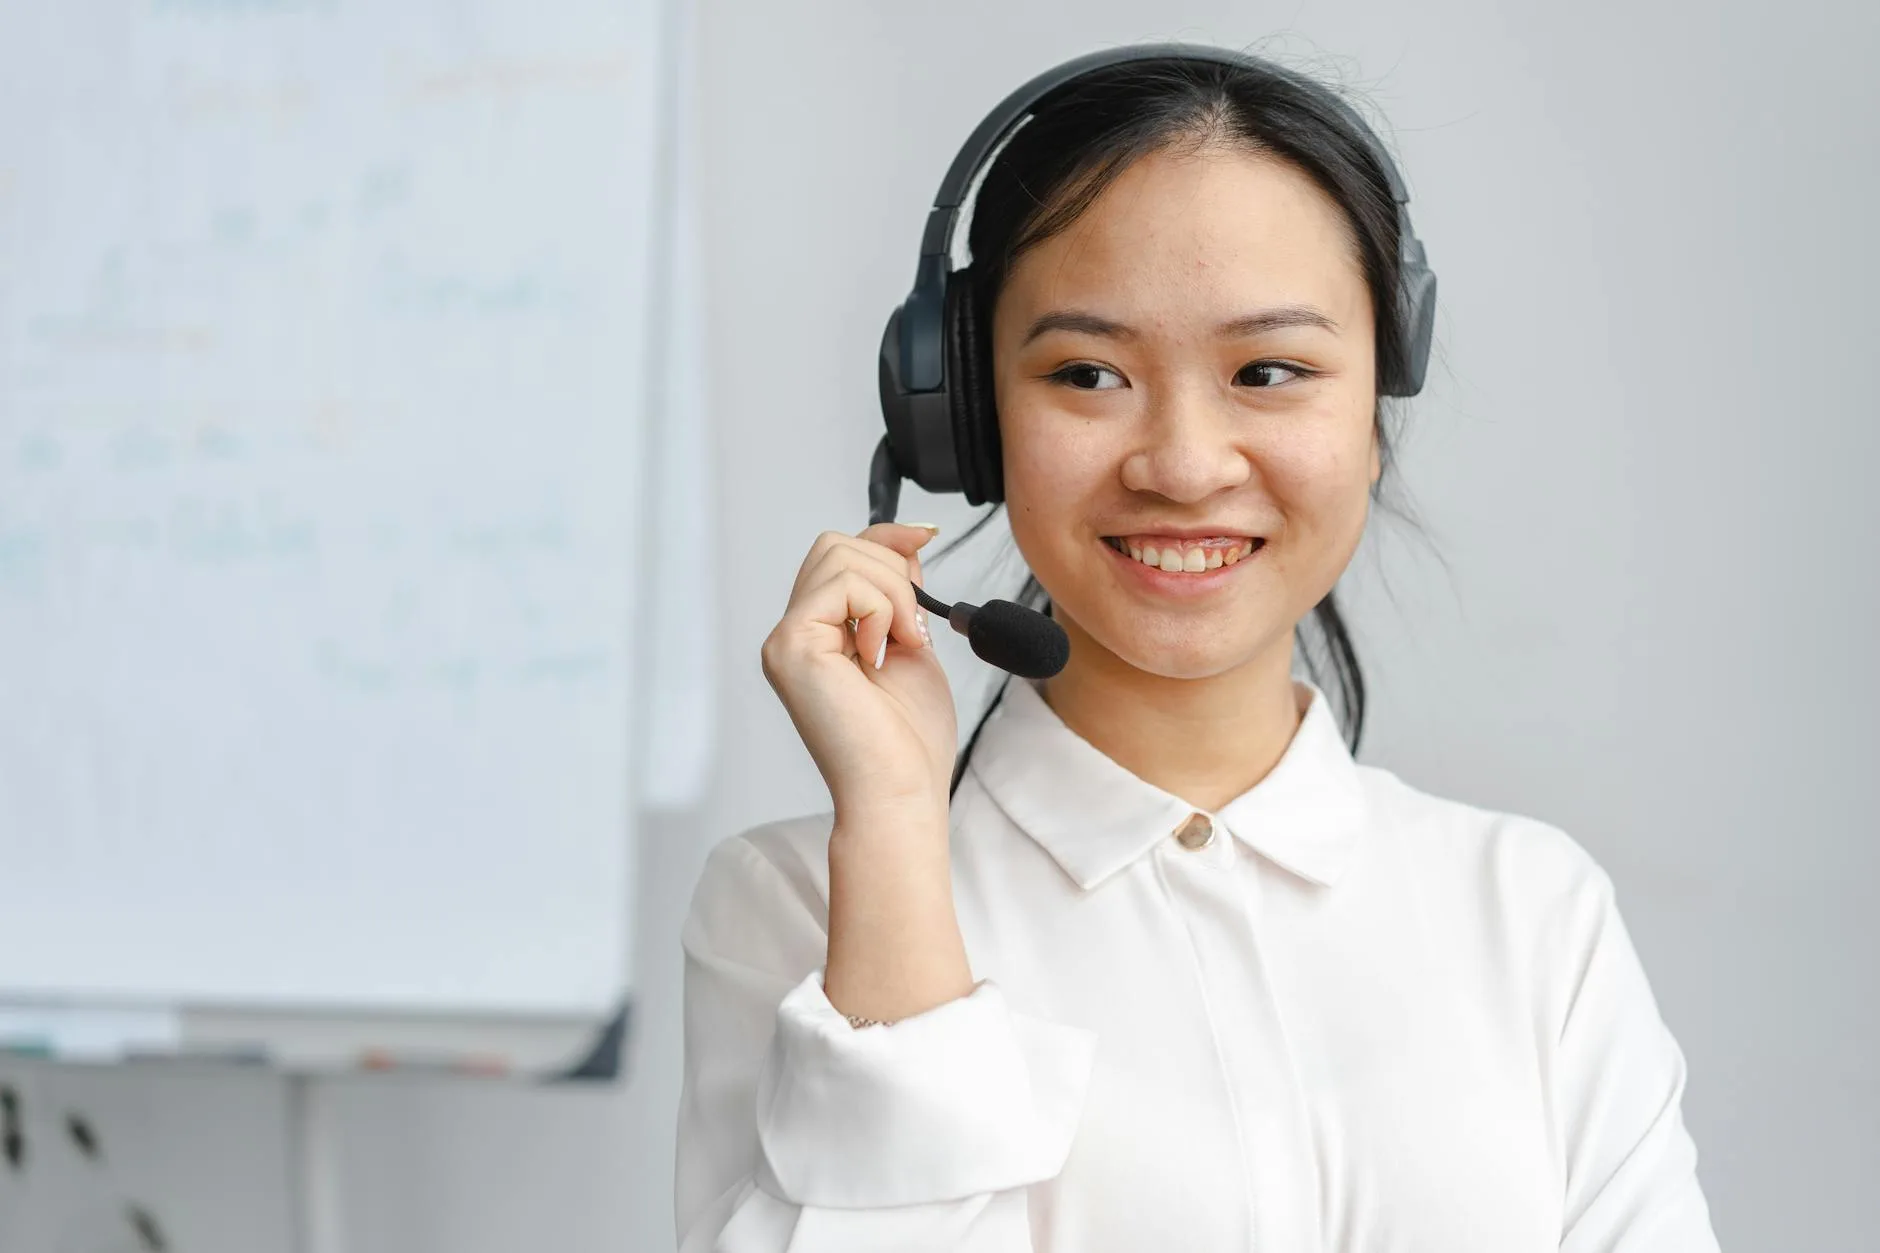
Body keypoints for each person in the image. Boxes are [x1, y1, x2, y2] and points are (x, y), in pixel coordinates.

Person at [675, 46, 1720, 1252]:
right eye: (1087, 372)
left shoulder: (1530, 913)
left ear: (1373, 409)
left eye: (1267, 371)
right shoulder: (797, 905)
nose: (1181, 463)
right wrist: (899, 848)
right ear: (964, 414)